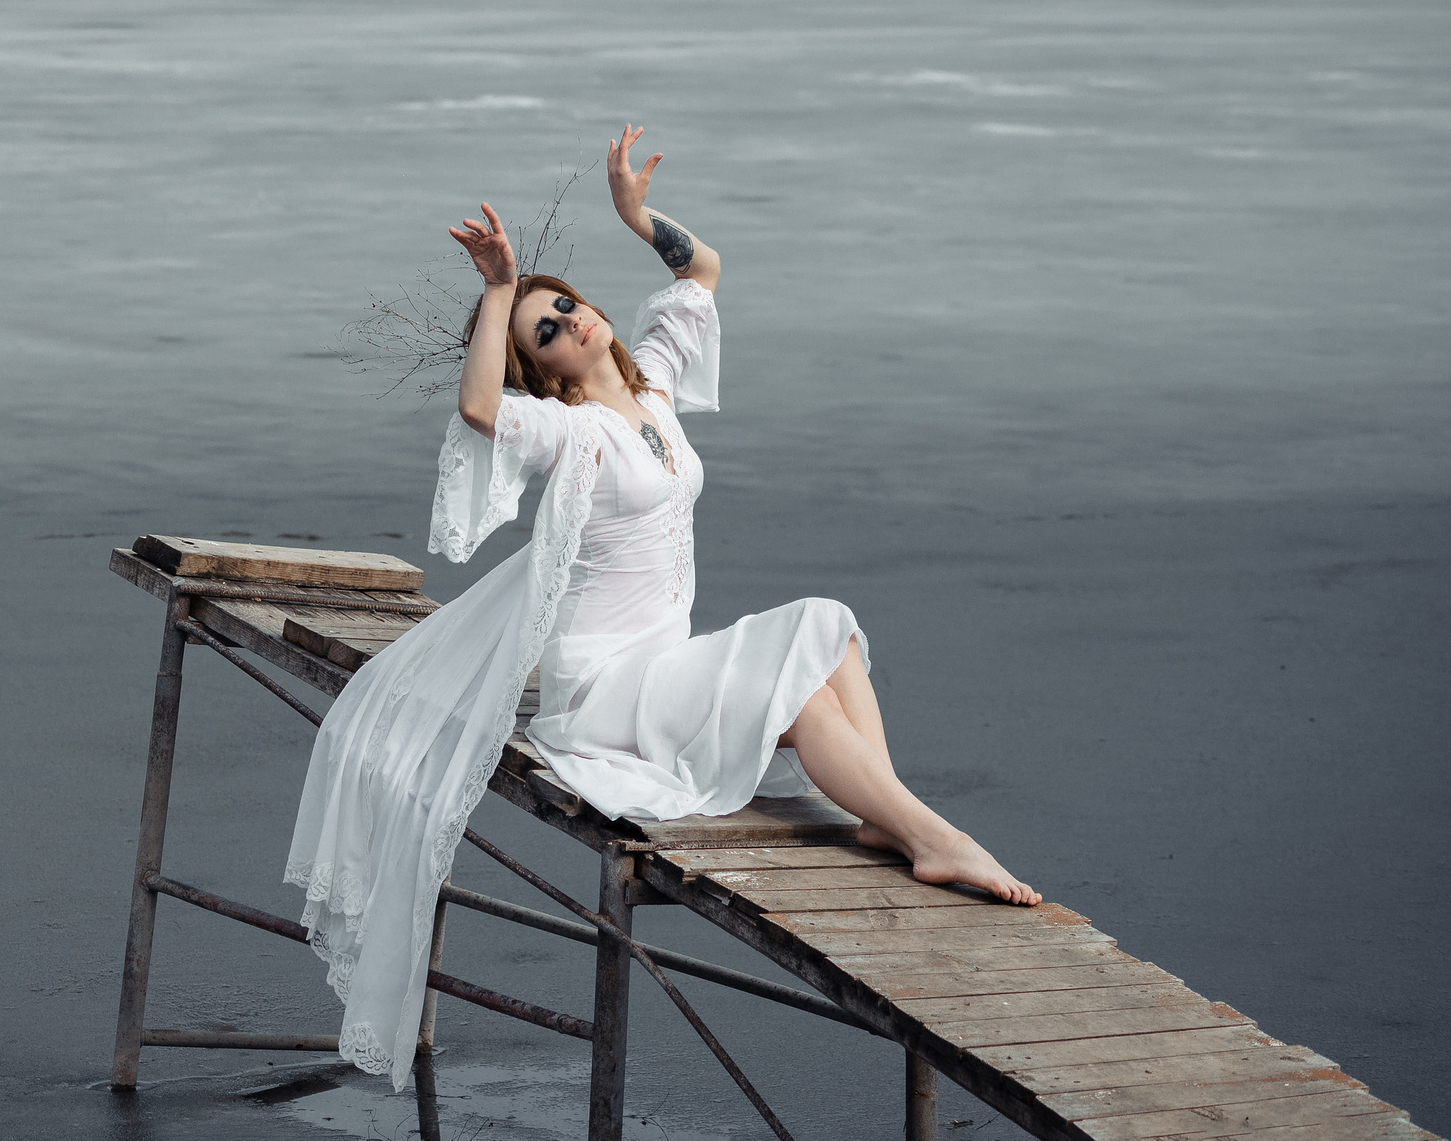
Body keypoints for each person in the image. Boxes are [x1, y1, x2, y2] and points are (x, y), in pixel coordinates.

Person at [287, 125, 1037, 1090]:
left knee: (832, 624)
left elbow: (704, 271)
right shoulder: (570, 435)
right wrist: (497, 289)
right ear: (545, 372)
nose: (566, 322)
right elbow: (480, 408)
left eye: (563, 305)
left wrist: (637, 218)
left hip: (663, 665)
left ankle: (888, 816)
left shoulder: (655, 394)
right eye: (543, 332)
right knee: (803, 689)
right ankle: (935, 837)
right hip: (605, 691)